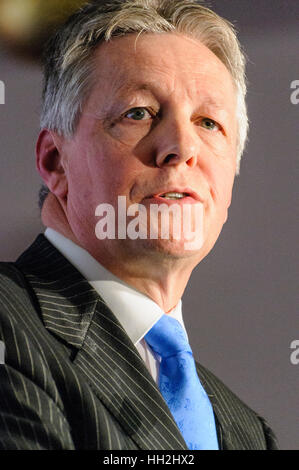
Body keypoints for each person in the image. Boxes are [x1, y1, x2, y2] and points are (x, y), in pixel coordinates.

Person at [0, 0, 278, 450]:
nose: (181, 147)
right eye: (139, 113)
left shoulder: (247, 432)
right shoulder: (8, 330)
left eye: (209, 122)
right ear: (56, 162)